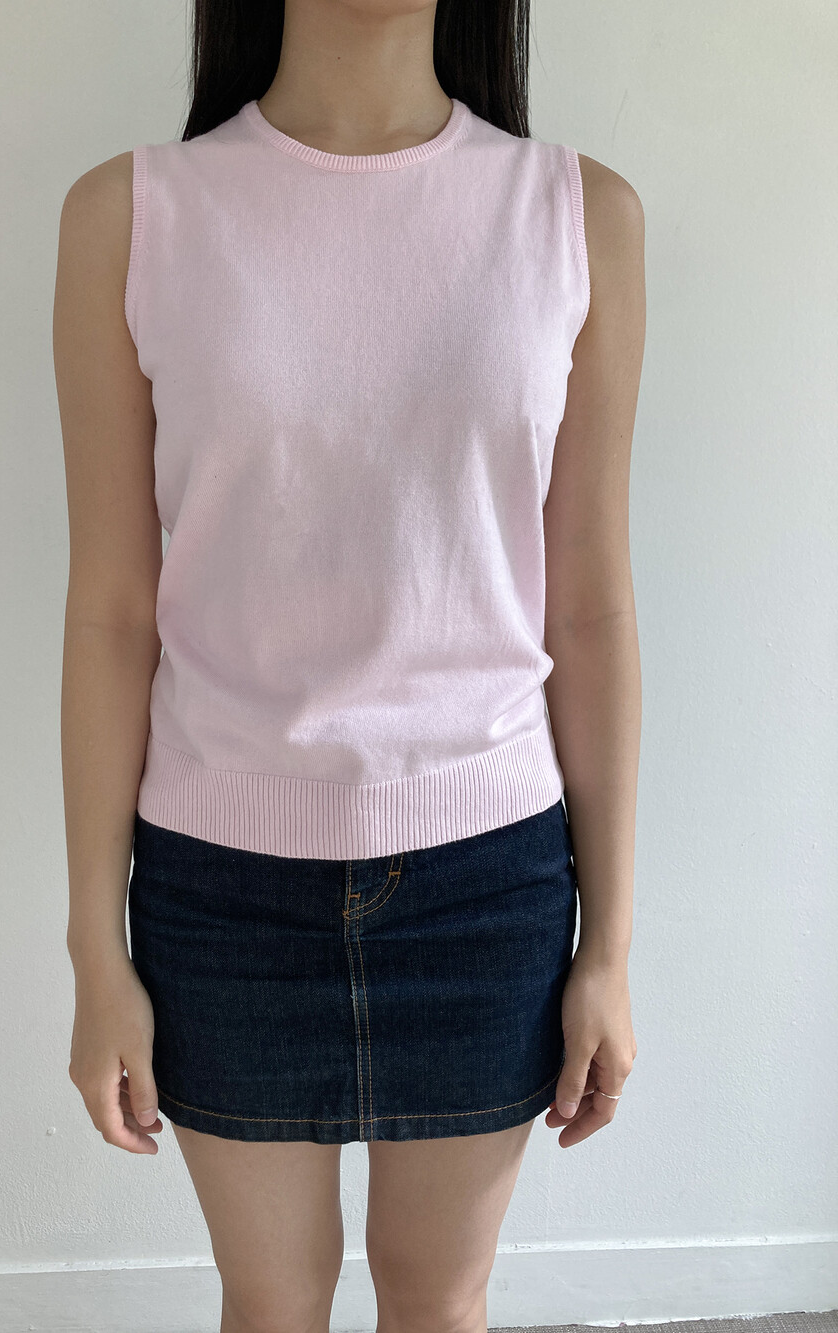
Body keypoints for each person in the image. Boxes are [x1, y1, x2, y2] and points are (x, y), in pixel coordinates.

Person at [52, 0, 644, 1325]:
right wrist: (97, 946)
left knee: (442, 1304)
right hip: (219, 884)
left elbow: (592, 612)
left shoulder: (577, 217)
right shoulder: (131, 217)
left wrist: (609, 943)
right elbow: (112, 614)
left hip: (489, 875)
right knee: (269, 1306)